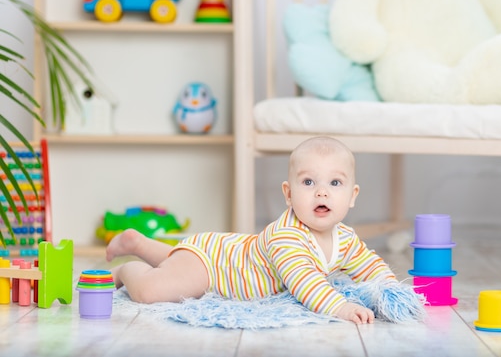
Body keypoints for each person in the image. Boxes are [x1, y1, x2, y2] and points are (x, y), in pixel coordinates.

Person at [106, 136, 398, 324]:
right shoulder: (286, 236)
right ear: (288, 193)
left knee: (178, 262)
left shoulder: (345, 239)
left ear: (353, 195)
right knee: (154, 288)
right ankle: (128, 269)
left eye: (335, 183)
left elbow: (370, 265)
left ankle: (140, 243)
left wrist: (392, 290)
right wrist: (341, 308)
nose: (321, 193)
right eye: (308, 182)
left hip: (223, 251)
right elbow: (305, 282)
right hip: (214, 267)